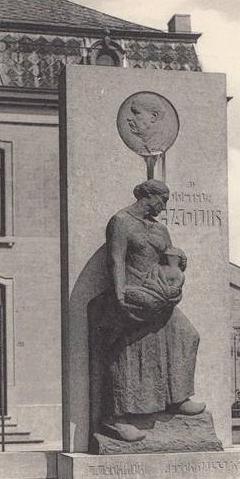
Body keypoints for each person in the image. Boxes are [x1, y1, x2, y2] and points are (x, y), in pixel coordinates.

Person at [88, 179, 205, 443]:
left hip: (159, 296)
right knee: (129, 351)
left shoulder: (161, 230)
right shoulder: (121, 221)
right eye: (161, 200)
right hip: (132, 293)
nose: (163, 207)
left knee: (188, 335)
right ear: (147, 196)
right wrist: (119, 296)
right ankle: (117, 418)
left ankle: (177, 398)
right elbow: (115, 259)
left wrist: (176, 278)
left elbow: (170, 261)